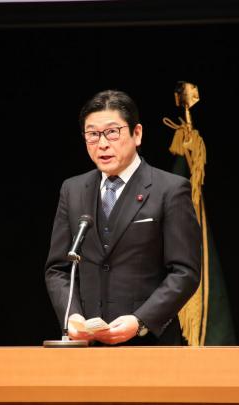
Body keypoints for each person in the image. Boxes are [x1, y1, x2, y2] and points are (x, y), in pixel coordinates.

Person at [44, 90, 201, 345]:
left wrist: (141, 321)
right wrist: (71, 315)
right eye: (92, 134)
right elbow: (58, 269)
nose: (102, 144)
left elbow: (185, 272)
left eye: (112, 132)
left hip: (150, 345)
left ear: (137, 134)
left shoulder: (170, 190)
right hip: (87, 345)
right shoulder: (72, 190)